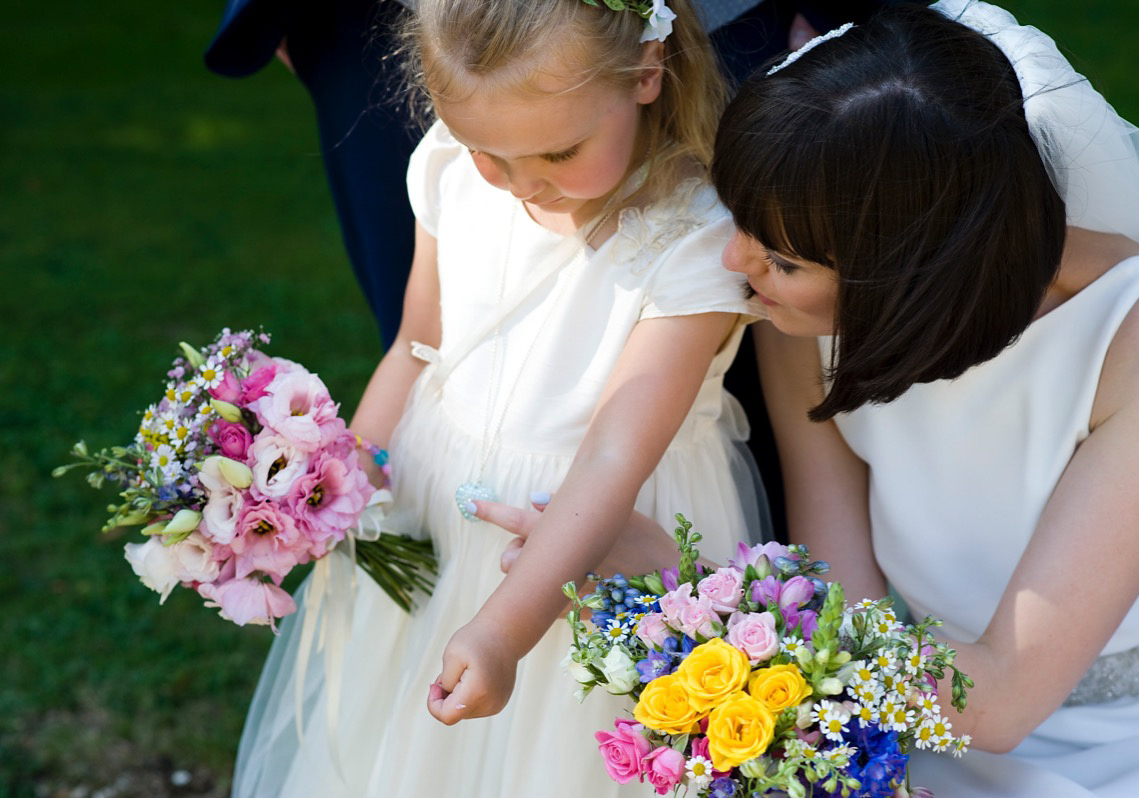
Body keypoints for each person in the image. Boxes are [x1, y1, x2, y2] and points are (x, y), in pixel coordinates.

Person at [480, 1, 1139, 795]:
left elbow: (993, 701)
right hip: (902, 716)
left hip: (1134, 737)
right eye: (740, 220)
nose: (732, 259)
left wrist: (692, 585)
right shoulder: (794, 312)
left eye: (783, 258)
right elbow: (845, 599)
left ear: (914, 273)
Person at [230, 0, 766, 794]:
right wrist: (341, 488)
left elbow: (612, 457)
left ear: (648, 72)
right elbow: (417, 345)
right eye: (491, 151)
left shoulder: (698, 237)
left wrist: (503, 631)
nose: (523, 185)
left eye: (558, 150)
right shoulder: (450, 161)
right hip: (435, 505)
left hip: (585, 546)